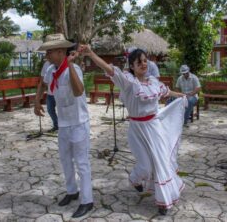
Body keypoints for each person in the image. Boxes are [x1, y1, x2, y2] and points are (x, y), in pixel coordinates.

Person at [78, 45, 187, 215]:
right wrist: (91, 53)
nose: (143, 64)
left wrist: (181, 96)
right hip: (137, 129)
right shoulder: (128, 82)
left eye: (145, 61)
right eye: (139, 62)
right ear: (132, 66)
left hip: (154, 127)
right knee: (144, 166)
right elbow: (108, 68)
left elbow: (167, 92)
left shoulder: (153, 82)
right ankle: (135, 178)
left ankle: (164, 202)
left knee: (160, 163)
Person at [34, 34, 93, 218]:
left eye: (50, 51)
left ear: (61, 52)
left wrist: (69, 64)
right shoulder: (51, 69)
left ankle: (87, 201)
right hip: (64, 123)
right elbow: (43, 83)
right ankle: (72, 191)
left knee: (82, 163)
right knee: (65, 160)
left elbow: (78, 91)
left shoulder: (73, 69)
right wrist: (37, 101)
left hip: (79, 122)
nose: (47, 55)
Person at [39, 55, 58, 132]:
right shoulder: (47, 65)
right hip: (50, 92)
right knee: (50, 109)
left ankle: (64, 126)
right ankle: (57, 124)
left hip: (60, 93)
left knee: (63, 110)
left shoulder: (60, 64)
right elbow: (43, 79)